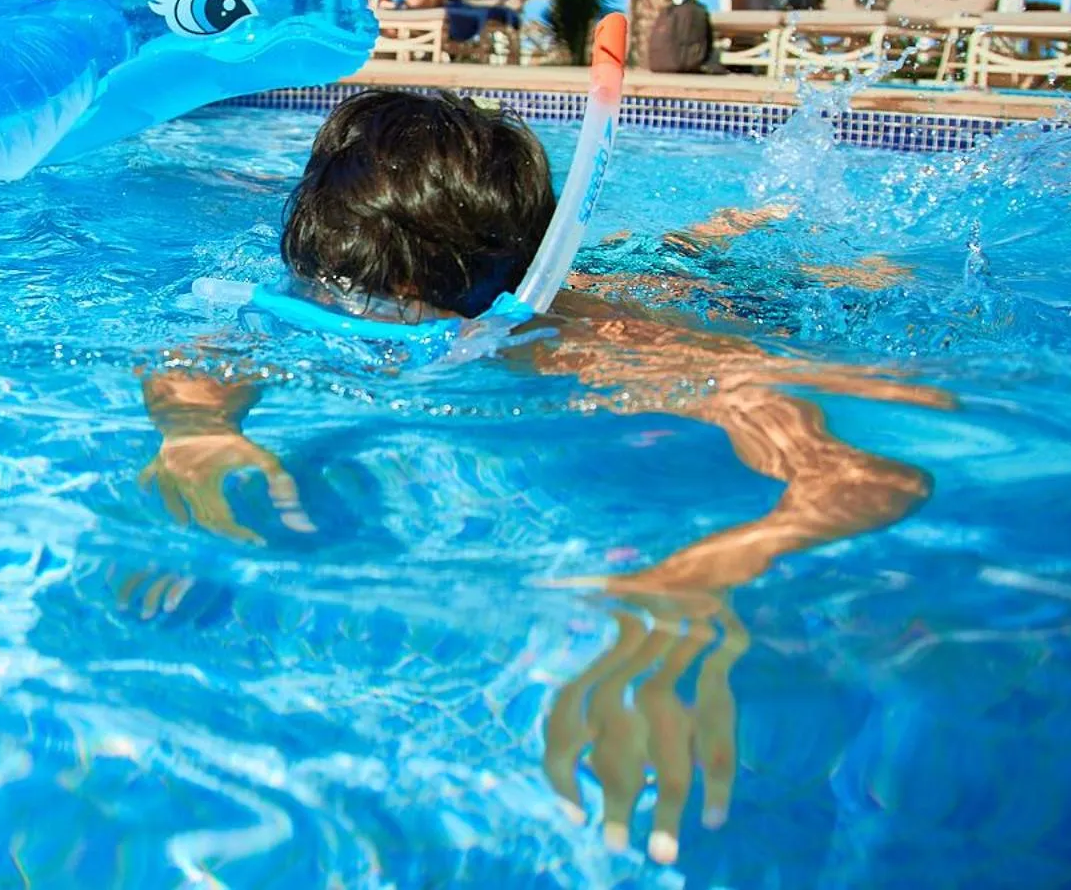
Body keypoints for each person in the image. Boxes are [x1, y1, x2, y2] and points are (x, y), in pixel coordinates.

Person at [134, 89, 939, 862]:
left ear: (488, 306)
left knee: (788, 274)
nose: (343, 325)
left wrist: (696, 574)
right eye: (322, 293)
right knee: (657, 249)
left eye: (386, 313)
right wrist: (197, 429)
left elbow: (867, 479)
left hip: (732, 299)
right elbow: (203, 359)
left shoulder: (604, 350)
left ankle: (774, 236)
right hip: (572, 270)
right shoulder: (355, 280)